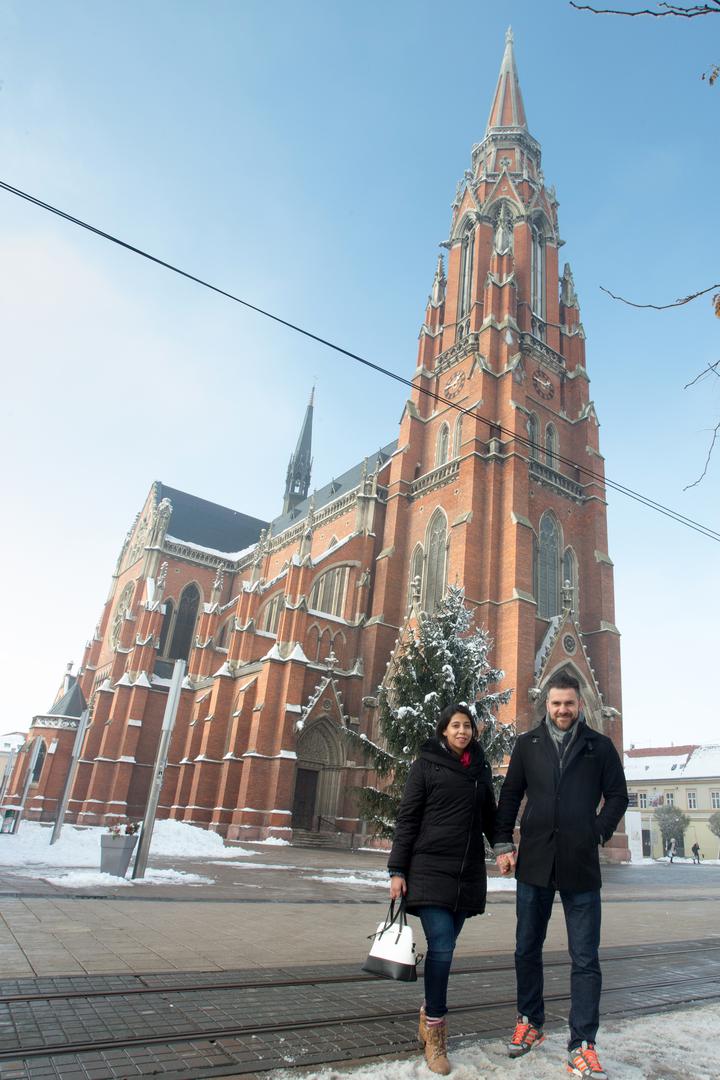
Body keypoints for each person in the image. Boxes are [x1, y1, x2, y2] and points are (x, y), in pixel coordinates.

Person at [494, 672, 628, 1080]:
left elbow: (618, 795)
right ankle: (529, 1021)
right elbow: (510, 794)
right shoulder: (527, 744)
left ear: (580, 705)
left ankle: (582, 1044)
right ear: (547, 705)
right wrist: (503, 842)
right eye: (556, 703)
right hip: (535, 859)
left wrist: (598, 831)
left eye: (569, 703)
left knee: (585, 957)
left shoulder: (599, 746)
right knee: (525, 948)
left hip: (580, 863)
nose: (563, 710)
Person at [388, 703, 497, 1075]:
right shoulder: (426, 765)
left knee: (444, 948)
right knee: (443, 946)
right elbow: (408, 817)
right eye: (455, 726)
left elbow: (490, 818)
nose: (462, 731)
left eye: (467, 726)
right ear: (444, 731)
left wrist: (505, 847)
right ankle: (435, 1033)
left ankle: (427, 1015)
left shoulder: (481, 769)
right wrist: (397, 870)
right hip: (430, 869)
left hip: (466, 874)